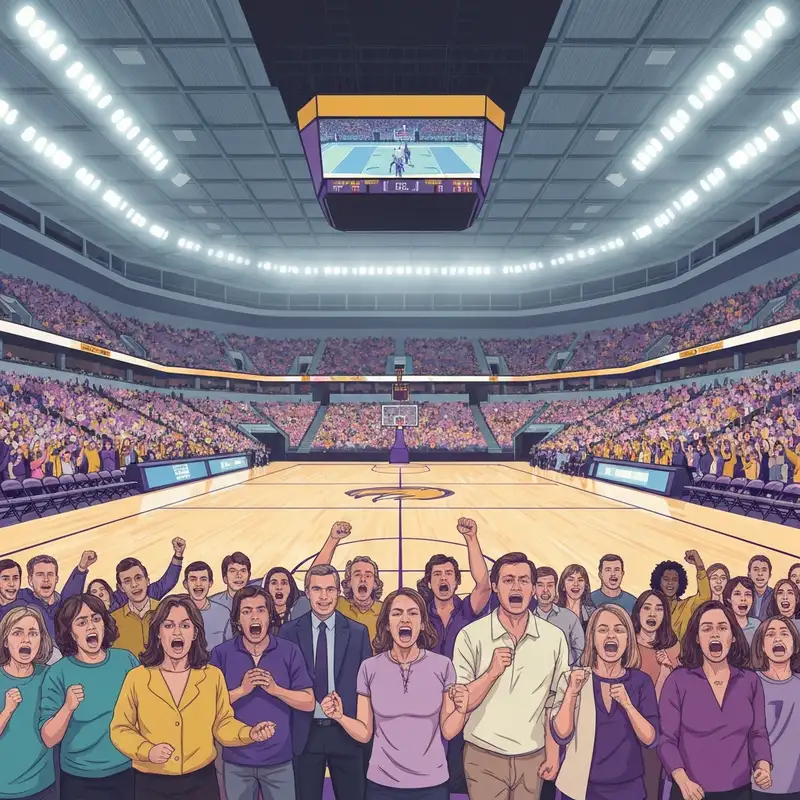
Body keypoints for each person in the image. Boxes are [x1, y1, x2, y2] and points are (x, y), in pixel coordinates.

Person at [110, 594, 276, 800]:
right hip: (150, 782)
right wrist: (147, 750)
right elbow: (120, 729)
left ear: (195, 632)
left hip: (201, 783)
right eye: (169, 625)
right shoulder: (137, 678)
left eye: (185, 625)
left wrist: (249, 733)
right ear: (158, 633)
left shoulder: (212, 676)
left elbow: (223, 724)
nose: (177, 632)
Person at [321, 588, 469, 800]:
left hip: (432, 784)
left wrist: (462, 710)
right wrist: (340, 717)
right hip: (381, 785)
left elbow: (448, 731)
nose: (405, 619)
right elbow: (364, 733)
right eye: (397, 613)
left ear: (423, 623)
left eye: (412, 613)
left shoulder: (442, 666)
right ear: (387, 625)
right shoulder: (369, 668)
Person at [453, 552, 568, 800]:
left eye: (524, 580)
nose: (516, 586)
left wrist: (553, 753)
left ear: (533, 589)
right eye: (508, 580)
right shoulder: (470, 636)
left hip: (533, 756)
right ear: (494, 586)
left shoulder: (554, 638)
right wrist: (491, 673)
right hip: (483, 755)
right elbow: (462, 703)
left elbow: (554, 703)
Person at [658, 601, 773, 800]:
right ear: (696, 638)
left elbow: (758, 733)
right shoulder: (677, 681)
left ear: (734, 636)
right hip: (690, 792)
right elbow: (667, 740)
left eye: (722, 627)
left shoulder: (750, 681)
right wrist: (682, 780)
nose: (714, 634)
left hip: (739, 792)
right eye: (707, 628)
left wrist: (762, 765)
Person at [279, 564, 372, 800]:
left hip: (345, 731)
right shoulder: (288, 633)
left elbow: (366, 688)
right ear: (307, 592)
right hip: (305, 732)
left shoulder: (358, 632)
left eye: (330, 589)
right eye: (317, 589)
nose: (324, 597)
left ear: (339, 592)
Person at [211, 587, 314, 800]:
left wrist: (276, 690)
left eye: (260, 610)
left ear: (270, 616)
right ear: (238, 620)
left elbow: (309, 702)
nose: (254, 616)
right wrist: (242, 691)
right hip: (235, 760)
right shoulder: (221, 654)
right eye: (247, 611)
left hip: (279, 760)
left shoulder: (289, 650)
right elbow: (209, 706)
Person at [551, 605, 659, 800]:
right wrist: (571, 693)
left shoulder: (640, 682)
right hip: (580, 790)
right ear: (591, 638)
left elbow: (650, 739)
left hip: (629, 789)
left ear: (628, 639)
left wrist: (628, 705)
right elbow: (561, 734)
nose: (611, 636)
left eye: (619, 630)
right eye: (603, 630)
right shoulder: (574, 678)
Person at [416, 518, 491, 795]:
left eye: (448, 573)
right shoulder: (419, 615)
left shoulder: (467, 610)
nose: (443, 578)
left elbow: (484, 584)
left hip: (463, 699)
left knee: (458, 770)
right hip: (426, 700)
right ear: (429, 581)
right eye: (437, 574)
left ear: (457, 581)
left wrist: (471, 538)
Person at [40, 594, 139, 800]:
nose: (91, 627)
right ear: (71, 633)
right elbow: (49, 738)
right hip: (79, 779)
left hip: (128, 772)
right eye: (81, 622)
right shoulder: (58, 672)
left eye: (96, 619)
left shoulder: (126, 660)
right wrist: (67, 707)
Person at [294, 523, 385, 646]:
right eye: (357, 574)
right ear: (348, 582)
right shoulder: (338, 605)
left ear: (375, 583)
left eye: (368, 575)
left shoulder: (385, 610)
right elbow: (316, 576)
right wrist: (333, 539)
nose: (363, 579)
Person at [0, 606, 56, 800]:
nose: (26, 640)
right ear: (5, 641)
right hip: (5, 790)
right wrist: (7, 710)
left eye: (33, 633)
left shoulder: (50, 675)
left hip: (45, 787)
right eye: (17, 633)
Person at [632, 590, 680, 800]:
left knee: (652, 790)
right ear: (638, 612)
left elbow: (667, 702)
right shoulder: (625, 644)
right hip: (624, 729)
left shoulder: (673, 649)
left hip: (656, 732)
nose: (652, 613)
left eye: (659, 609)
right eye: (647, 607)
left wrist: (667, 672)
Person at [750, 617, 800, 799]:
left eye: (784, 634)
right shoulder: (749, 683)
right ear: (762, 646)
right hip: (757, 787)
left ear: (795, 644)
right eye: (770, 634)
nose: (778, 639)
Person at [649, 551, 710, 639]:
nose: (670, 583)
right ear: (659, 581)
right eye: (666, 579)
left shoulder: (687, 606)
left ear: (680, 583)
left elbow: (705, 596)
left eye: (674, 580)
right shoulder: (650, 608)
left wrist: (700, 567)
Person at [534, 566, 585, 666]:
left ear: (555, 588)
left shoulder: (570, 617)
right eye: (540, 585)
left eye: (550, 585)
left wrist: (562, 664)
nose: (545, 590)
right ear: (533, 589)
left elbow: (579, 648)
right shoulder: (526, 618)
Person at [182, 561, 230, 649]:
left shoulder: (224, 612)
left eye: (203, 579)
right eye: (193, 579)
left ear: (210, 583)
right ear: (185, 584)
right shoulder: (177, 612)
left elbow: (229, 647)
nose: (198, 584)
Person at [723, 576, 761, 645]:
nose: (743, 598)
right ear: (729, 599)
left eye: (748, 594)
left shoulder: (757, 625)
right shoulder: (724, 625)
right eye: (737, 594)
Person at [750, 556, 775, 621]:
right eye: (756, 569)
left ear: (770, 575)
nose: (760, 573)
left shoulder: (775, 595)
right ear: (749, 573)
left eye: (764, 570)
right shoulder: (744, 594)